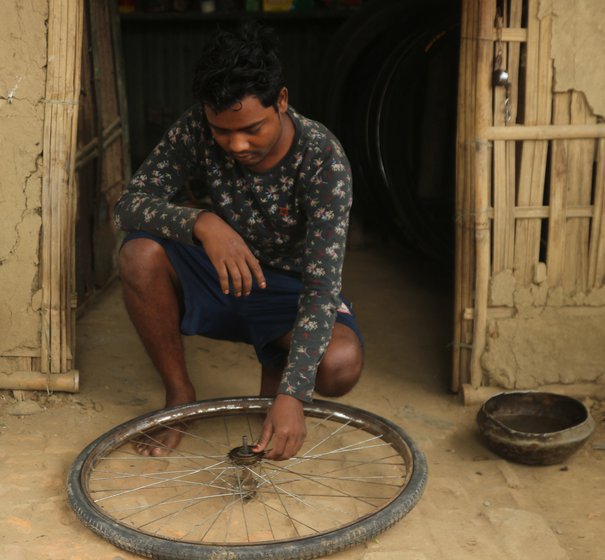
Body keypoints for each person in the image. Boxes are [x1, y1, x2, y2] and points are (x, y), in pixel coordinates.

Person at [113, 22, 364, 461]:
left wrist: (294, 394)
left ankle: (276, 364)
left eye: (251, 128)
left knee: (339, 365)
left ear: (281, 101)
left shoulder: (324, 159)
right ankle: (179, 396)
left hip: (289, 289)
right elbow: (129, 205)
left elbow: (322, 287)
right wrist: (203, 223)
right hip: (222, 272)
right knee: (138, 253)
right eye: (221, 130)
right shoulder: (196, 126)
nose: (237, 144)